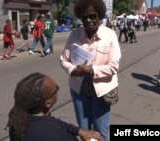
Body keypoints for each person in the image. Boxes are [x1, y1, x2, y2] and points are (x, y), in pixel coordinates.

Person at [60, 0, 121, 140]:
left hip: (101, 92)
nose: (88, 20)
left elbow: (113, 67)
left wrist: (90, 70)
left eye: (92, 16)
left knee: (101, 132)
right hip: (79, 92)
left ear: (99, 16)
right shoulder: (75, 35)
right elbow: (63, 59)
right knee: (84, 131)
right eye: (84, 17)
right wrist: (73, 70)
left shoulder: (110, 35)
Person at [5, 72, 103, 141]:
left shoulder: (17, 122)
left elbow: (53, 122)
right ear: (48, 103)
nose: (57, 89)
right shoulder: (58, 135)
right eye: (56, 88)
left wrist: (79, 131)